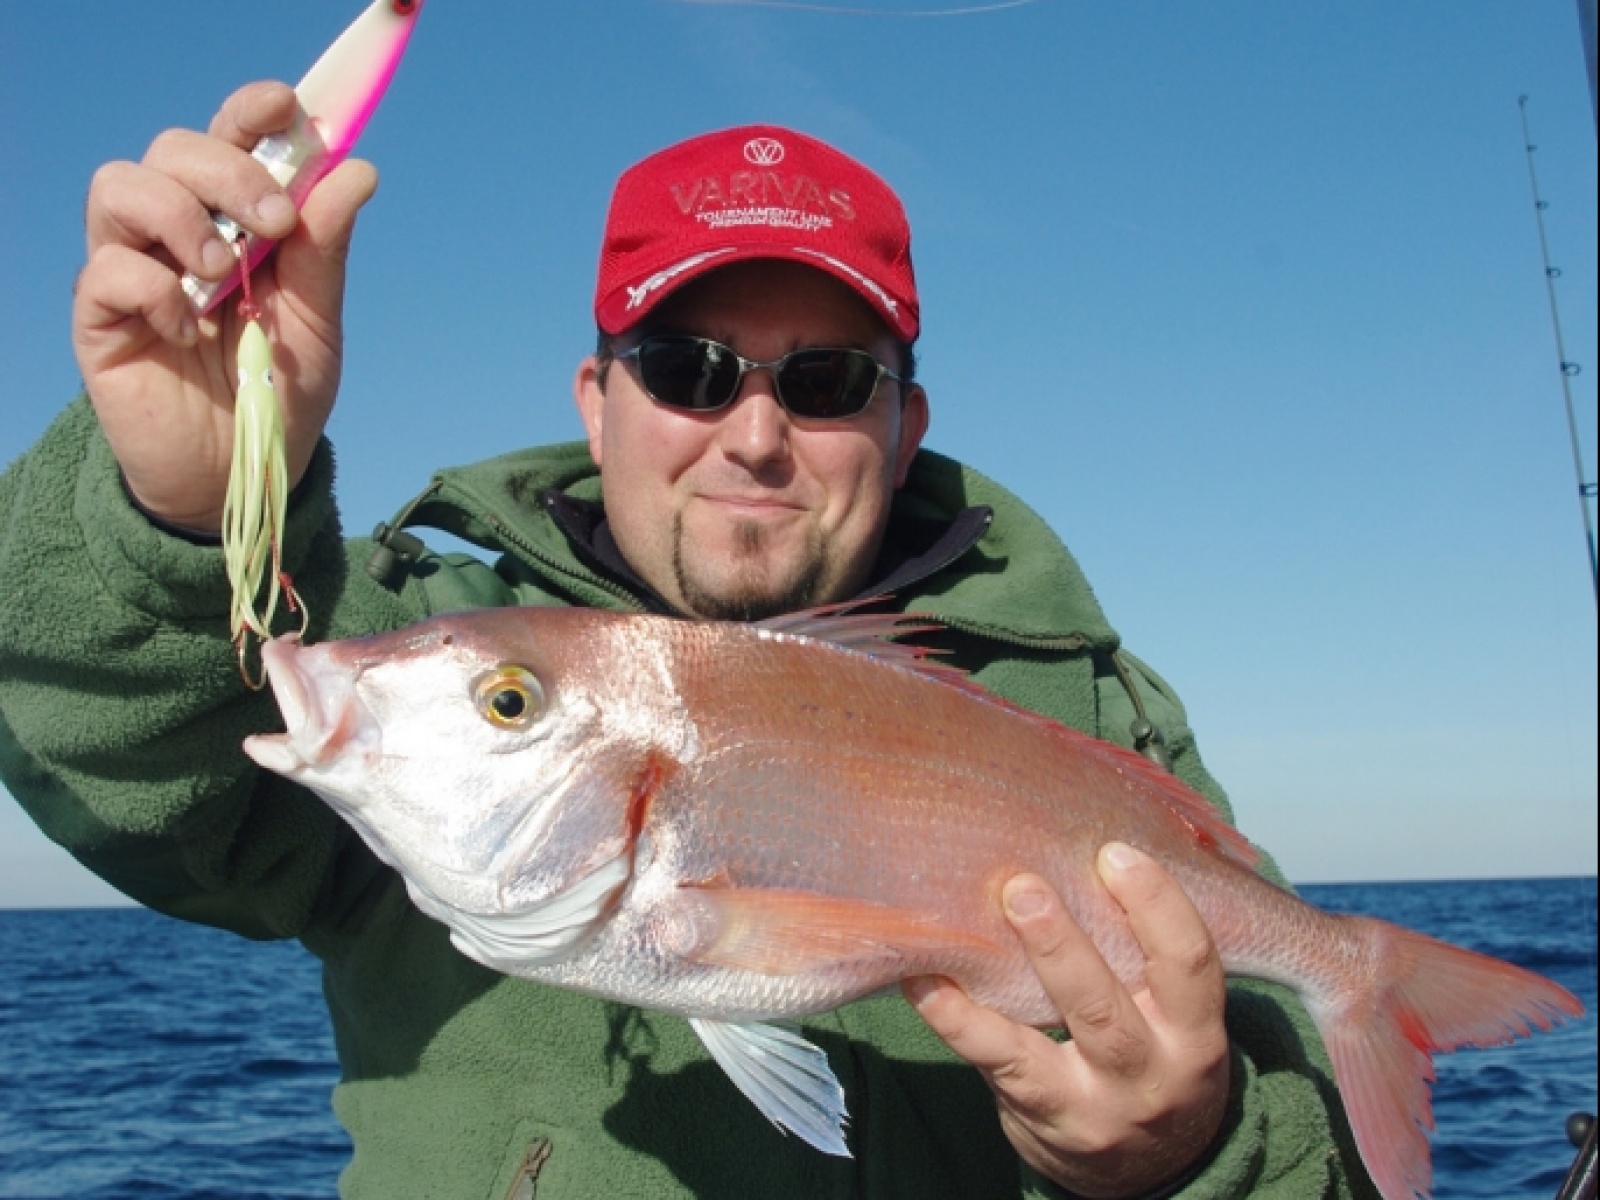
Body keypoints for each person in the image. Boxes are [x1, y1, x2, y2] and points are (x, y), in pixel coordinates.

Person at [0, 81, 1375, 1199]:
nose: (757, 435)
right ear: (597, 402)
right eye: (687, 369)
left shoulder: (1091, 709)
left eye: (828, 381)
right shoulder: (407, 633)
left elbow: (1312, 1136)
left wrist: (1192, 1153)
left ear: (907, 423)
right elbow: (130, 761)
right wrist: (187, 513)